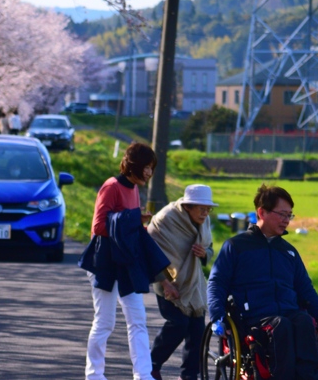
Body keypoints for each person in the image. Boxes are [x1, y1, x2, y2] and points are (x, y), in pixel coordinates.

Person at [208, 184, 318, 380]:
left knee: (305, 322)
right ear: (262, 212)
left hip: (288, 312)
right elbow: (217, 282)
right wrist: (217, 314)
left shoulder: (289, 252)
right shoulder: (236, 246)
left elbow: (306, 289)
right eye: (282, 214)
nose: (286, 220)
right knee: (281, 326)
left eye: (290, 215)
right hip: (253, 316)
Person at [79, 142, 170, 380]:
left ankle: (143, 374)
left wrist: (136, 221)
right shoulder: (111, 186)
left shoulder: (135, 189)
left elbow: (128, 226)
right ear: (133, 165)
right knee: (105, 321)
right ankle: (94, 374)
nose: (150, 173)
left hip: (126, 262)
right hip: (106, 262)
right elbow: (99, 226)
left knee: (138, 319)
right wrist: (132, 218)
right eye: (147, 167)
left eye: (152, 168)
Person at [147, 184, 217, 380]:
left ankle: (189, 376)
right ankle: (151, 366)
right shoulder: (166, 219)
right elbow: (150, 251)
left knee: (197, 331)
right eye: (201, 208)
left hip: (193, 284)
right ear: (188, 206)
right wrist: (166, 282)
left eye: (208, 209)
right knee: (177, 324)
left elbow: (209, 248)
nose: (205, 213)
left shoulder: (204, 221)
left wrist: (205, 254)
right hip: (167, 281)